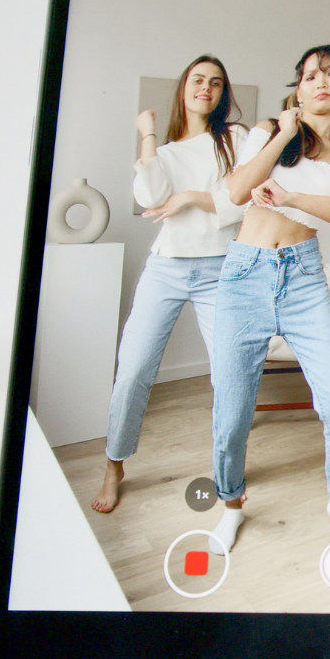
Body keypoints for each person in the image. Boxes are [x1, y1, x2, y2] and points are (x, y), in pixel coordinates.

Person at [206, 45, 330, 556]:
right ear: (297, 88)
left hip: (303, 280)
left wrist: (293, 198)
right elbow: (236, 191)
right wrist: (281, 133)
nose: (319, 82)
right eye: (308, 76)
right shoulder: (268, 132)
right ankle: (231, 506)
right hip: (244, 276)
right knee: (230, 414)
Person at [93, 55, 248, 513]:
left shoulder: (235, 139)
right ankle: (114, 464)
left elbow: (239, 202)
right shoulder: (162, 152)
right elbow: (149, 196)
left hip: (219, 269)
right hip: (166, 268)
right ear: (184, 88)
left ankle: (228, 472)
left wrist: (191, 199)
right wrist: (147, 134)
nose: (207, 88)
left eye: (216, 82)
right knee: (134, 369)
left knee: (229, 375)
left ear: (223, 93)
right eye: (198, 80)